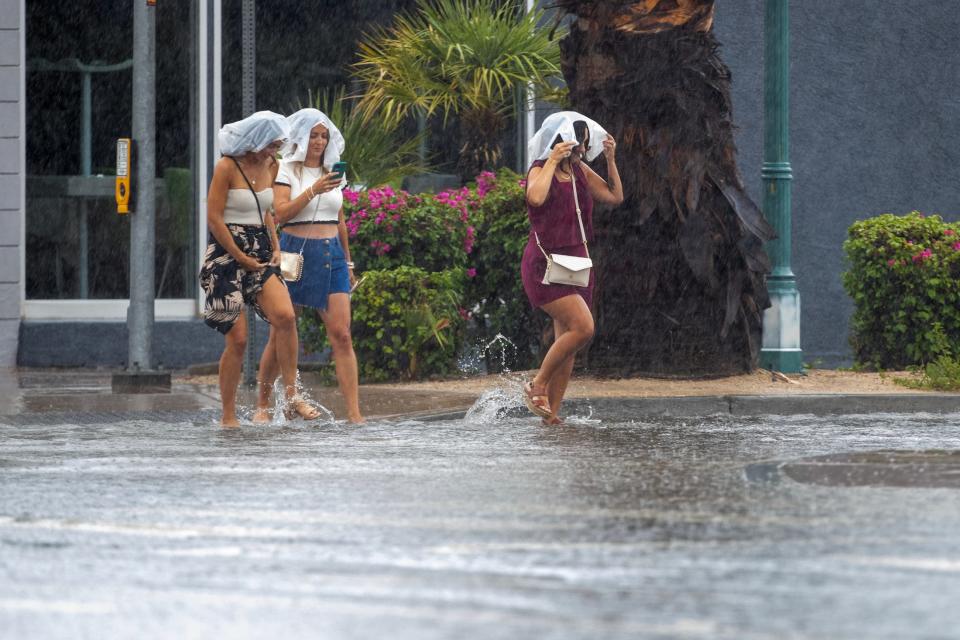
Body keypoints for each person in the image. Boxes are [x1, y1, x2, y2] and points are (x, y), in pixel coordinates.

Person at [253, 108, 364, 424]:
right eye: (313, 135)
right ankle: (263, 404)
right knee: (281, 330)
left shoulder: (333, 171)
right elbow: (281, 213)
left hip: (332, 255)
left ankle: (355, 413)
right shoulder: (286, 169)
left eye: (324, 135)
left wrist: (349, 259)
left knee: (341, 334)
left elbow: (339, 218)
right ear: (302, 137)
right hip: (293, 253)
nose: (319, 141)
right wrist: (314, 189)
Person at [520, 111, 624, 425]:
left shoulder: (579, 171)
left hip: (577, 262)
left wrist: (610, 160)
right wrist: (550, 160)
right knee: (583, 327)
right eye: (575, 142)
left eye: (582, 142)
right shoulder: (540, 169)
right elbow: (535, 198)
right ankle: (536, 385)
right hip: (545, 264)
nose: (580, 148)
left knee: (570, 342)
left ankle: (551, 414)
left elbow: (614, 195)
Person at [199, 111, 300, 427]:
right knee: (239, 340)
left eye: (278, 145)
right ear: (255, 140)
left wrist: (276, 244)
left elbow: (266, 210)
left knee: (285, 316)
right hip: (226, 254)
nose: (275, 151)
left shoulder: (272, 165)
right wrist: (238, 256)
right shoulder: (227, 167)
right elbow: (214, 217)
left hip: (261, 250)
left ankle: (292, 394)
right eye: (271, 144)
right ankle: (228, 415)